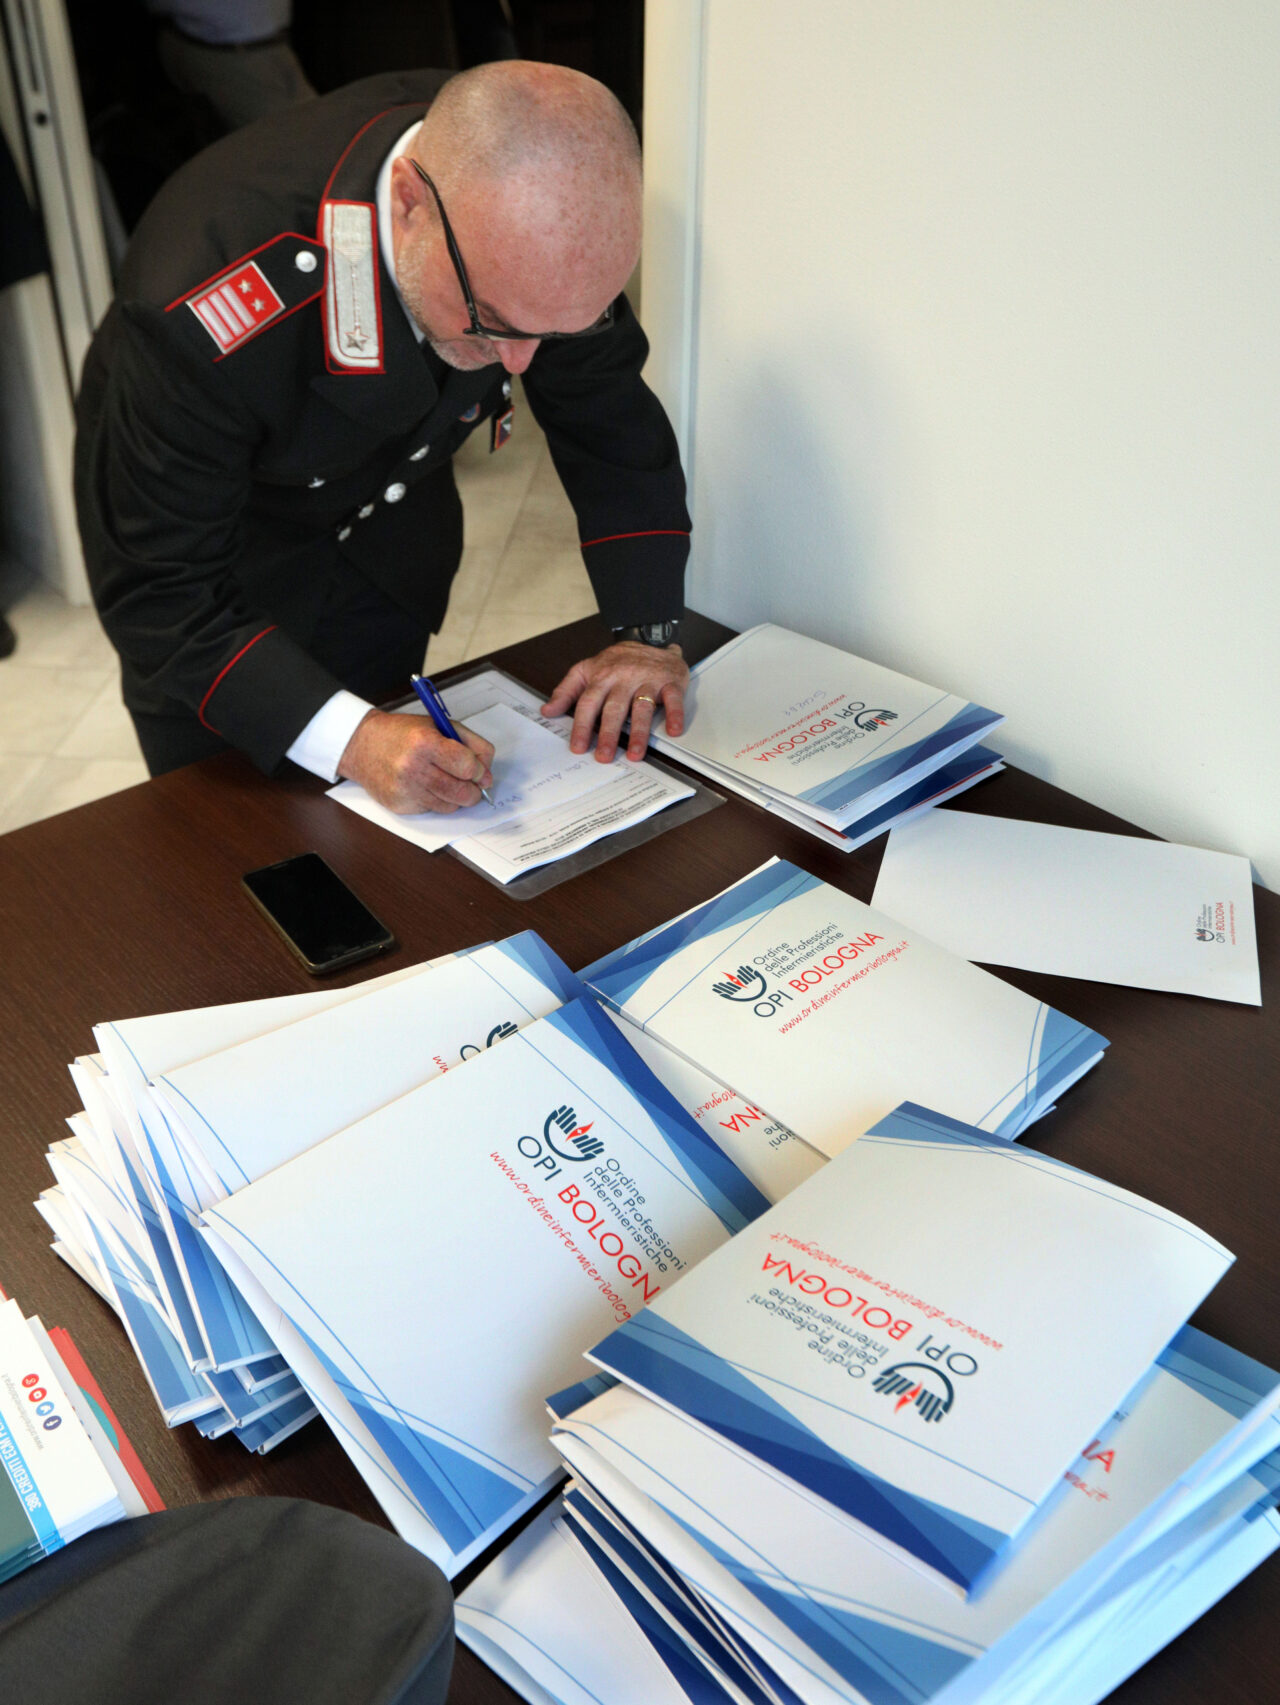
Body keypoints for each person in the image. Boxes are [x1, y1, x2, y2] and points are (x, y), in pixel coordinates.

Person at [74, 60, 691, 815]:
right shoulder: (197, 305)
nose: (524, 362)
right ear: (409, 204)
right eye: (494, 320)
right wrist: (353, 738)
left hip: (385, 545)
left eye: (555, 329)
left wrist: (646, 632)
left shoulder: (529, 212)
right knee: (240, 855)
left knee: (390, 834)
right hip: (221, 596)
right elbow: (159, 594)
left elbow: (607, 412)